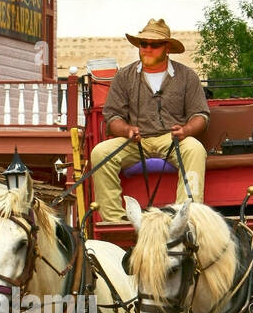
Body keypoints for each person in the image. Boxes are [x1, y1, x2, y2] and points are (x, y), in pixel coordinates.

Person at [89, 19, 209, 223]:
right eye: (143, 44)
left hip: (172, 139)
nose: (148, 49)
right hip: (137, 140)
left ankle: (185, 217)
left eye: (155, 45)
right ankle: (115, 222)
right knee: (100, 152)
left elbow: (201, 115)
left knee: (195, 149)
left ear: (167, 48)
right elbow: (113, 117)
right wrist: (127, 130)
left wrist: (186, 130)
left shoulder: (187, 76)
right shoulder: (124, 77)